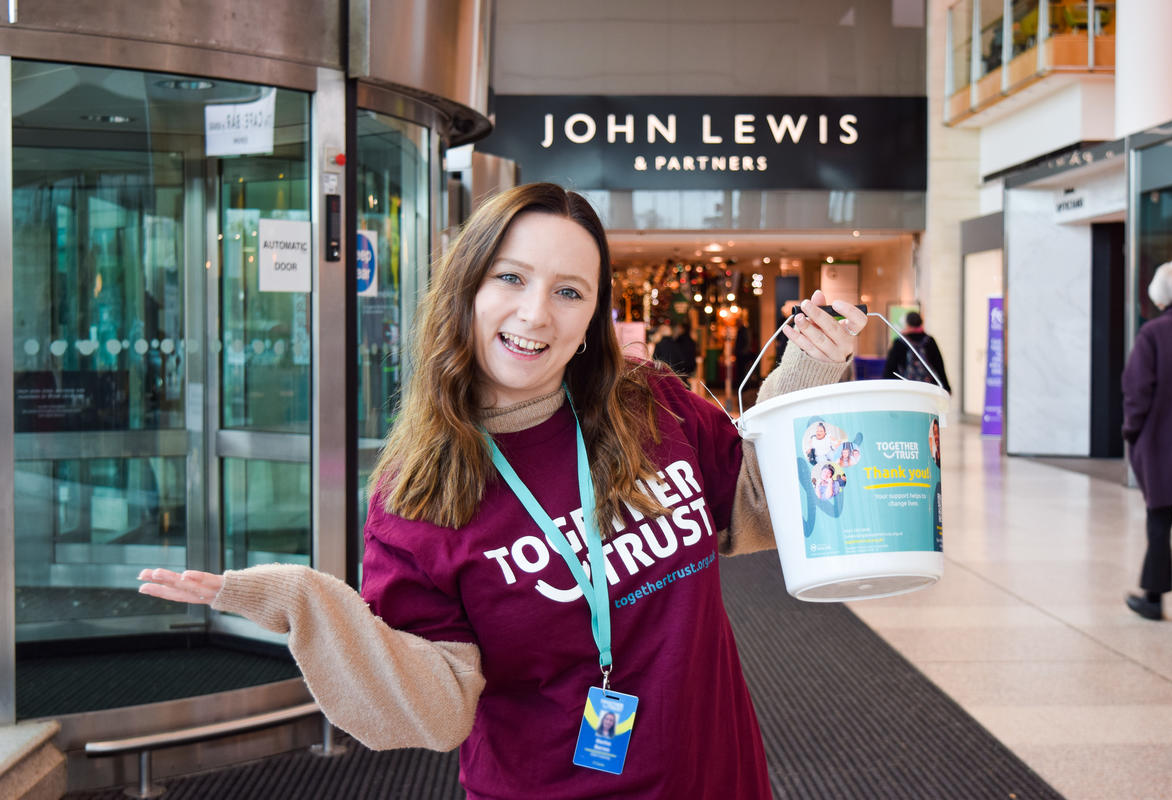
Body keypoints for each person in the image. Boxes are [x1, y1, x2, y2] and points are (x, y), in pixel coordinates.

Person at [136, 182, 867, 799]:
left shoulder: (651, 403)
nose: (535, 314)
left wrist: (800, 379)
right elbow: (438, 708)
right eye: (511, 278)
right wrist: (310, 605)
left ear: (592, 319)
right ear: (467, 288)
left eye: (569, 291)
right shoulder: (417, 496)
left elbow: (755, 509)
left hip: (717, 772)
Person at [1121, 260, 1172, 631]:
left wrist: (1131, 432)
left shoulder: (1152, 334)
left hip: (1161, 441)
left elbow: (1137, 391)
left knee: (1159, 520)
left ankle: (1153, 597)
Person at [883, 311, 951, 393]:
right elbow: (939, 365)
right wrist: (946, 387)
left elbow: (890, 367)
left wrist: (886, 387)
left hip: (906, 388)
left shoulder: (899, 342)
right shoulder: (929, 341)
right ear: (921, 323)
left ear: (907, 324)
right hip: (928, 388)